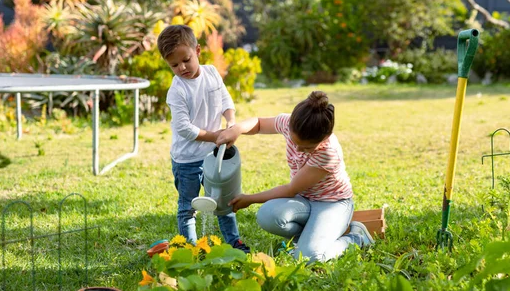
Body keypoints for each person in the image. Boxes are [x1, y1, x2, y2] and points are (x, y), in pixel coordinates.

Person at [216, 91, 373, 262]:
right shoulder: (289, 123)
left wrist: (250, 199)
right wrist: (237, 129)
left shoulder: (328, 153)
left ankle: (356, 237)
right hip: (304, 200)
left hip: (332, 203)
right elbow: (260, 123)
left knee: (310, 257)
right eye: (295, 142)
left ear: (324, 138)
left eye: (307, 148)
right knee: (267, 216)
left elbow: (290, 190)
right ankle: (312, 237)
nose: (298, 150)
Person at [157, 24, 250, 253]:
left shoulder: (211, 73)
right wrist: (216, 136)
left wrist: (230, 122)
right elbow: (184, 129)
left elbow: (226, 100)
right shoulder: (177, 91)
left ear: (197, 51)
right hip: (187, 160)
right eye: (174, 65)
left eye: (186, 60)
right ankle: (189, 249)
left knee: (223, 202)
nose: (182, 68)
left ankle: (233, 242)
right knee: (187, 207)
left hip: (213, 156)